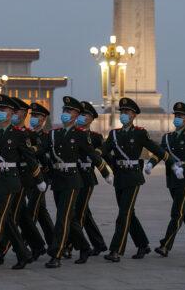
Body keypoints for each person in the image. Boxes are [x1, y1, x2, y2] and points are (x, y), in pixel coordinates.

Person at [0, 94, 47, 273]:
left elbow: (30, 159)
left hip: (11, 182)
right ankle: (23, 253)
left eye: (4, 110)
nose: (0, 112)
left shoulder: (19, 134)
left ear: (12, 113)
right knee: (7, 220)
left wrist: (39, 180)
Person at [44, 96, 113, 268]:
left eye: (70, 111)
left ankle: (57, 254)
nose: (66, 114)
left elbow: (92, 154)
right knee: (71, 217)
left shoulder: (81, 135)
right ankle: (84, 247)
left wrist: (105, 172)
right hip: (57, 179)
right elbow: (41, 150)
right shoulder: (54, 133)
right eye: (64, 111)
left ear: (76, 115)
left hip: (73, 180)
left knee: (62, 218)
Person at [101, 97, 167, 263]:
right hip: (120, 177)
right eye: (122, 112)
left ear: (133, 115)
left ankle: (116, 250)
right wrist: (111, 164)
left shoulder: (139, 133)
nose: (124, 114)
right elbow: (103, 151)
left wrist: (171, 162)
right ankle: (143, 244)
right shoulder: (114, 134)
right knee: (129, 213)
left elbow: (155, 149)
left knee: (123, 214)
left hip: (133, 177)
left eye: (127, 112)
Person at [144, 102, 185, 257]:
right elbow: (161, 154)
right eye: (176, 116)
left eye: (181, 116)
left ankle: (166, 245)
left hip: (184, 178)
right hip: (171, 178)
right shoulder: (167, 137)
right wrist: (150, 163)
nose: (178, 118)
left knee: (177, 212)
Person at [0, 97, 47, 263]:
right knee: (21, 215)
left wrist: (39, 178)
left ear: (23, 114)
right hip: (11, 177)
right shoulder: (4, 133)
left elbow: (38, 153)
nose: (14, 114)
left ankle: (3, 250)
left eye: (17, 112)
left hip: (25, 178)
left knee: (12, 215)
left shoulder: (28, 134)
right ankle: (37, 244)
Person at [72, 101, 109, 257]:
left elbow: (103, 155)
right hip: (73, 176)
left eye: (85, 115)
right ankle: (99, 244)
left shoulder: (95, 137)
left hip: (87, 178)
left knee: (77, 213)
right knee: (83, 212)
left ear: (92, 119)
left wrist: (109, 172)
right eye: (80, 114)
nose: (82, 117)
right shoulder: (71, 134)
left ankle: (71, 245)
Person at [26, 102, 55, 251]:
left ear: (43, 119)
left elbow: (40, 151)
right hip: (27, 177)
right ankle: (54, 243)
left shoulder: (46, 136)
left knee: (32, 211)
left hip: (42, 178)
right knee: (41, 211)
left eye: (37, 116)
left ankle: (30, 245)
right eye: (33, 116)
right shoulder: (25, 134)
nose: (34, 118)